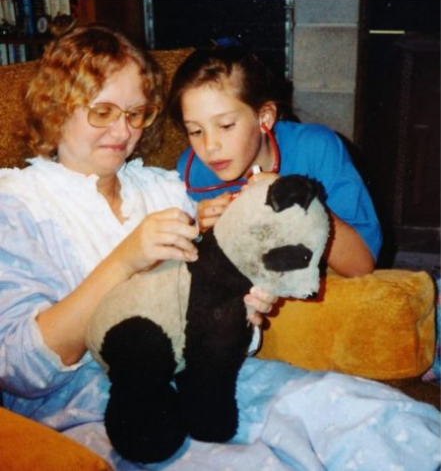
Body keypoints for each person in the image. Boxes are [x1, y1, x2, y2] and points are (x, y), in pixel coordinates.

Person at [0, 26, 439, 471]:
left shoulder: (166, 189)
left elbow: (212, 305)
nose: (123, 130)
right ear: (56, 108)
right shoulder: (15, 205)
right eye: (104, 112)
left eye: (136, 113)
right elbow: (19, 370)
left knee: (379, 418)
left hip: (217, 382)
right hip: (100, 409)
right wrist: (125, 259)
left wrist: (244, 308)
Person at [169, 46, 382, 277]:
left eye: (226, 125)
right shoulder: (191, 171)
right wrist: (199, 231)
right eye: (195, 131)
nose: (209, 146)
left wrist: (301, 203)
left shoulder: (316, 149)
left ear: (264, 117)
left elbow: (361, 266)